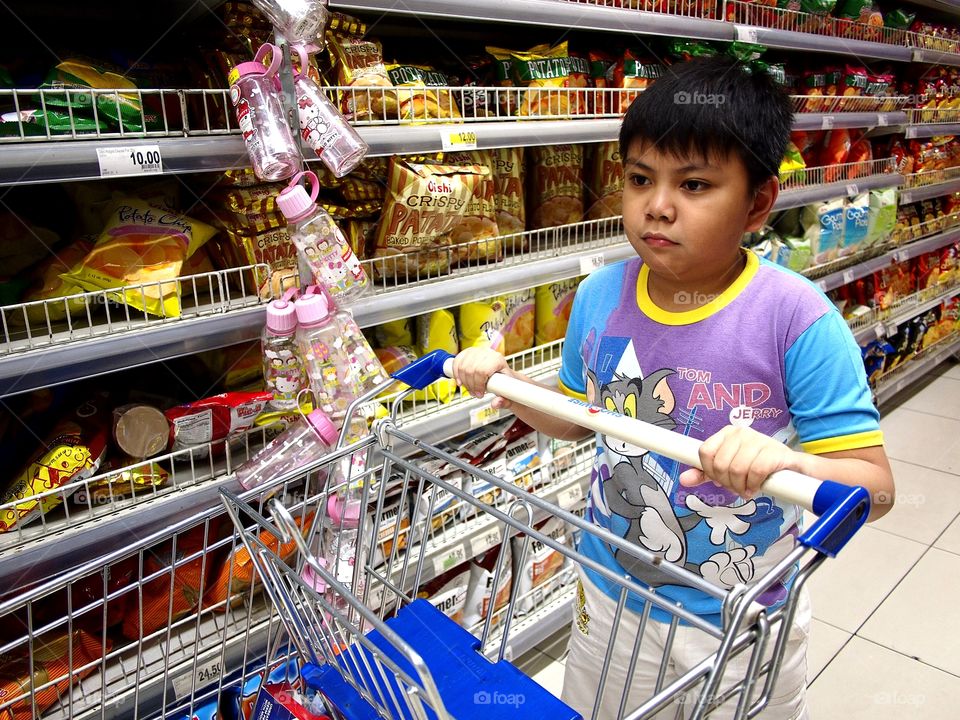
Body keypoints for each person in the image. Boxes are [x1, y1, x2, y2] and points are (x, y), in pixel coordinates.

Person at [452, 55, 895, 719]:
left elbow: (876, 489)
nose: (657, 206)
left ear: (758, 203)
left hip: (738, 616)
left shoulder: (796, 319)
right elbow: (582, 419)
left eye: (693, 184)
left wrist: (790, 463)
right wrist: (512, 387)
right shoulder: (600, 297)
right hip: (609, 589)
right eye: (639, 179)